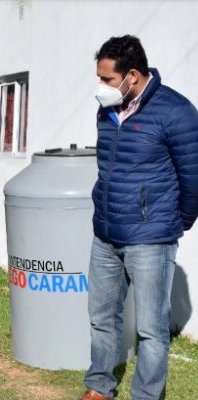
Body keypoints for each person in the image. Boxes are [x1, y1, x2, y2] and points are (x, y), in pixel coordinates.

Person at [81, 35, 198, 400]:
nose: (101, 87)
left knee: (151, 330)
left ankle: (146, 396)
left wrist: (174, 223)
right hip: (105, 233)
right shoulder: (107, 109)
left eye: (107, 80)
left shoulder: (176, 111)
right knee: (101, 318)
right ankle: (99, 387)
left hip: (151, 237)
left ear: (132, 76)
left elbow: (193, 176)